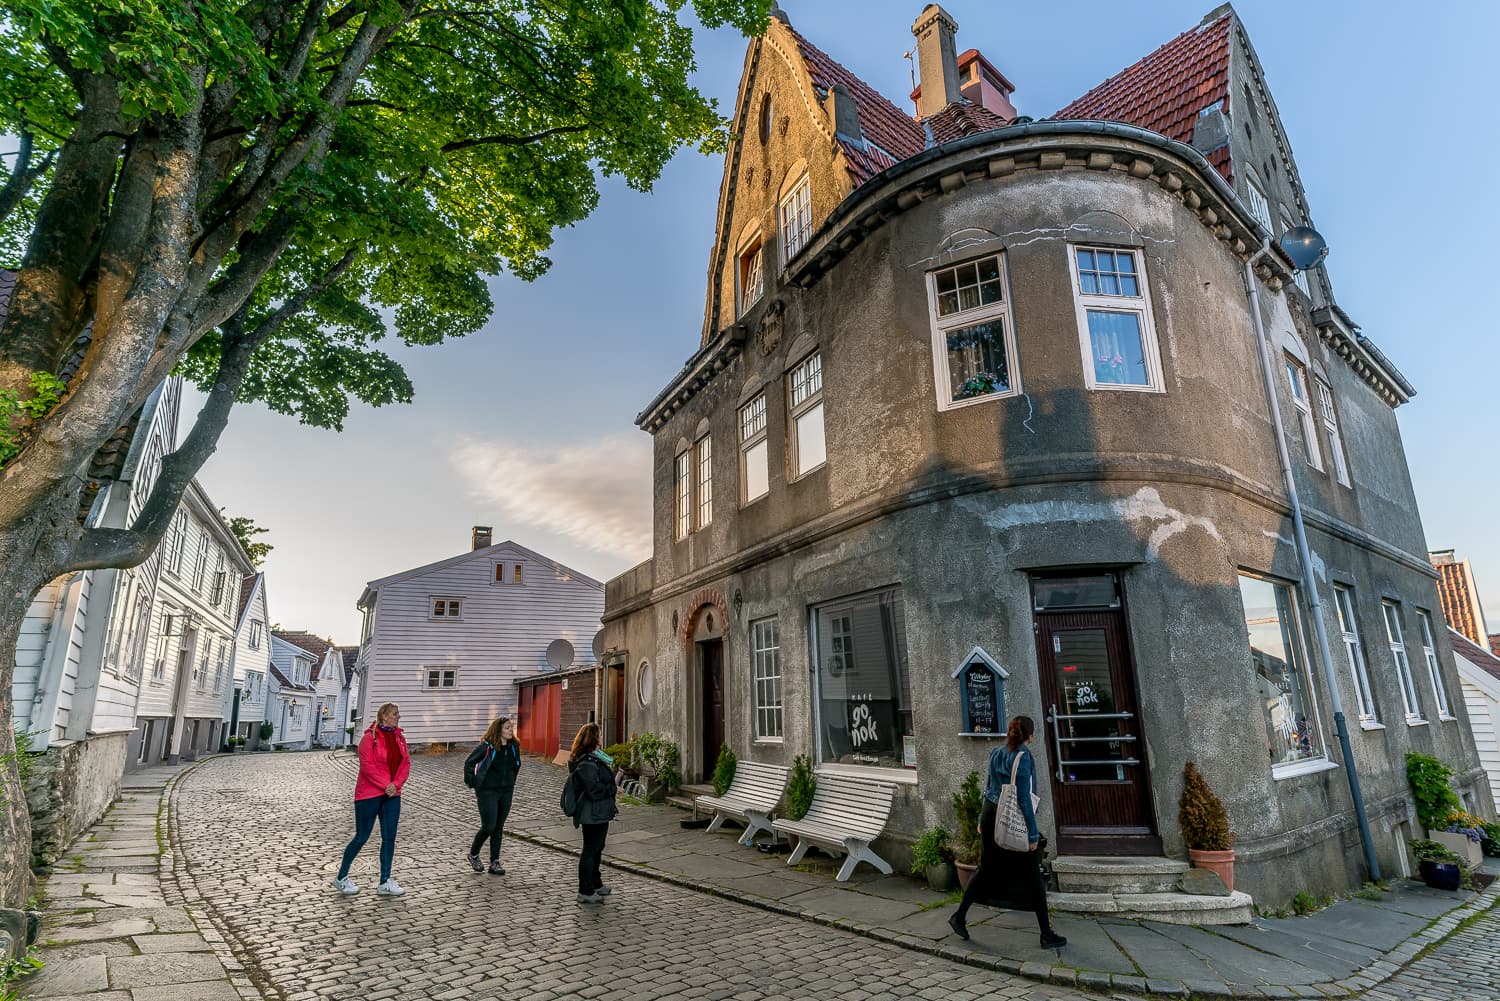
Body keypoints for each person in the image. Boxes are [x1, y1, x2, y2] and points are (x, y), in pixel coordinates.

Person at [948, 715, 1067, 948]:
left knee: (985, 869)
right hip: (1012, 818)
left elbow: (989, 787)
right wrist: (1033, 835)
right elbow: (1023, 798)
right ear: (1029, 735)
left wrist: (983, 819)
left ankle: (959, 916)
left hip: (991, 814)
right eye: (1033, 732)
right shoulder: (1023, 757)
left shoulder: (996, 753)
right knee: (1033, 873)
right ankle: (1046, 934)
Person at [331, 702, 410, 897]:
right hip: (369, 795)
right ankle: (341, 877)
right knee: (362, 836)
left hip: (392, 795)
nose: (398, 716)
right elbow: (368, 767)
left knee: (389, 837)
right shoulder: (369, 738)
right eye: (394, 714)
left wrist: (396, 785)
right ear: (383, 716)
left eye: (397, 713)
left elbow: (405, 763)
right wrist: (386, 785)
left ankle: (384, 881)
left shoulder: (400, 738)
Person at [565, 722, 618, 904]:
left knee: (598, 848)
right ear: (593, 738)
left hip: (599, 811)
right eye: (599, 735)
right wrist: (613, 789)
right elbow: (593, 789)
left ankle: (596, 883)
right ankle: (585, 890)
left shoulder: (595, 758)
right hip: (591, 812)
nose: (602, 737)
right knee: (590, 849)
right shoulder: (586, 762)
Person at [464, 717, 522, 874]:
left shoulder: (514, 747)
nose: (511, 730)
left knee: (498, 827)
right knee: (489, 826)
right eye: (507, 728)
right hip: (487, 791)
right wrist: (473, 781)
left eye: (511, 727)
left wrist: (510, 781)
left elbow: (517, 765)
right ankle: (474, 854)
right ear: (498, 730)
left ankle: (495, 862)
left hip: (506, 790)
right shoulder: (487, 747)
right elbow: (469, 763)